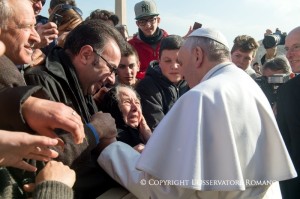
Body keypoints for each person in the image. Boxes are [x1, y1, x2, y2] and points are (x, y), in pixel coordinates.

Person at [97, 28, 297, 199]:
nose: (181, 72)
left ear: (198, 55)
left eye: (182, 63)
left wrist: (111, 149)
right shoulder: (248, 85)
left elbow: (166, 190)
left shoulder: (201, 97)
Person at [24, 19, 124, 198]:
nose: (111, 79)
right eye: (111, 68)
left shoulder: (84, 88)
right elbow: (46, 160)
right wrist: (95, 130)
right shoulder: (40, 82)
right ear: (86, 54)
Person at [135, 35, 189, 131]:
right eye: (167, 61)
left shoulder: (192, 83)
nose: (174, 66)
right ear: (159, 61)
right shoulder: (147, 86)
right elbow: (158, 128)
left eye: (179, 60)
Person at [276, 26, 300, 199]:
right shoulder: (288, 91)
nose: (289, 55)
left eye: (296, 47)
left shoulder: (289, 91)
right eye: (286, 49)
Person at [128, 0, 168, 79]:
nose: (148, 25)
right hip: (142, 88)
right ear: (137, 24)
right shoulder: (130, 46)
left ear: (158, 20)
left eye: (151, 19)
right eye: (142, 21)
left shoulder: (169, 42)